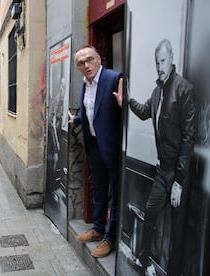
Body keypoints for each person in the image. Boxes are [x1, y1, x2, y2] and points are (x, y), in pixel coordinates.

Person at [114, 39, 195, 275]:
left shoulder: (183, 89)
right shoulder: (157, 91)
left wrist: (179, 180)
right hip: (162, 170)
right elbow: (143, 112)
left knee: (177, 231)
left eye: (163, 60)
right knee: (150, 214)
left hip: (179, 174)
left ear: (171, 58)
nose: (159, 66)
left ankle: (173, 271)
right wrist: (126, 100)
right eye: (156, 62)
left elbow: (189, 139)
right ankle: (144, 260)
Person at [68, 45, 122, 258]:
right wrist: (78, 119)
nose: (86, 65)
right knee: (99, 189)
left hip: (113, 147)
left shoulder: (114, 78)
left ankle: (110, 238)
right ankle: (98, 229)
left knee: (115, 193)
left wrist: (123, 104)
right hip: (95, 144)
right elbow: (94, 109)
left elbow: (120, 111)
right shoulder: (85, 82)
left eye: (90, 59)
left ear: (99, 59)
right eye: (81, 63)